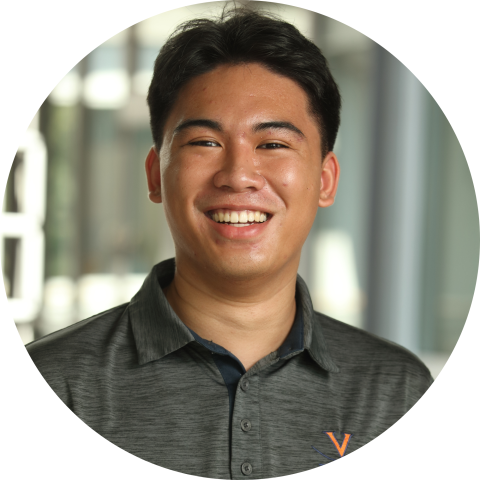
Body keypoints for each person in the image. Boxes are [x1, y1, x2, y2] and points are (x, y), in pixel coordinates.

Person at [27, 7, 433, 478]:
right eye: (205, 142)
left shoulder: (395, 393)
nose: (238, 175)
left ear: (325, 180)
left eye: (273, 144)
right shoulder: (49, 385)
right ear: (156, 176)